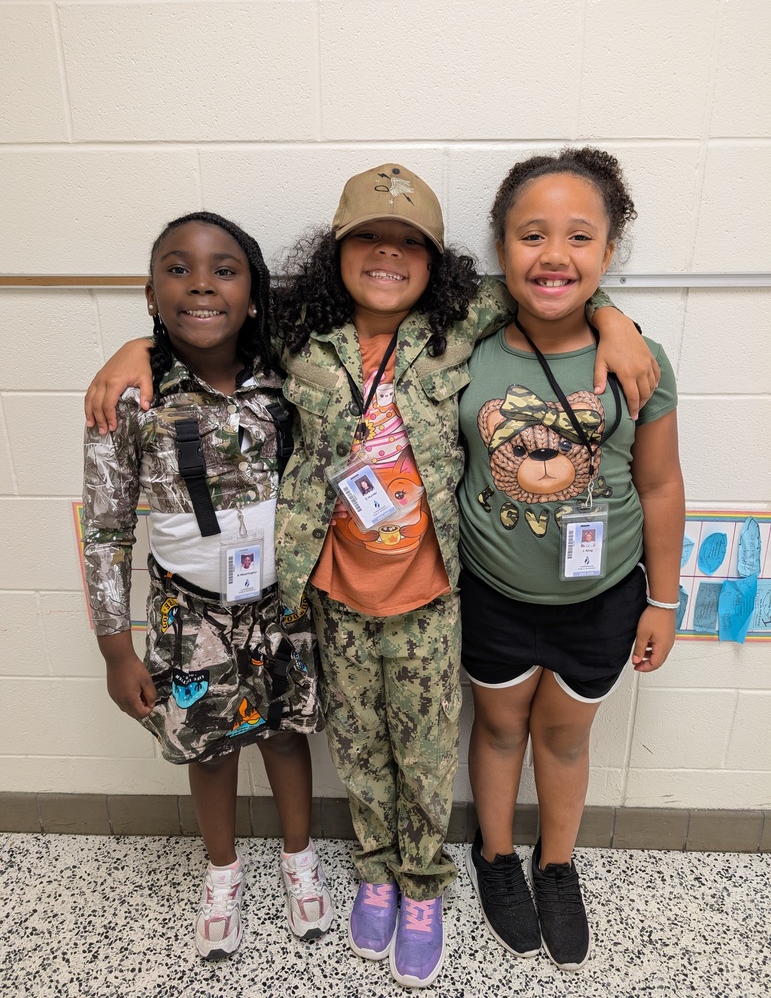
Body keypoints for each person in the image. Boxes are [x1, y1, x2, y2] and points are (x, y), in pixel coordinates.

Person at [83, 164, 658, 989]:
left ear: (436, 262)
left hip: (429, 599)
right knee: (358, 751)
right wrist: (134, 343)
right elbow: (205, 320)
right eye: (368, 241)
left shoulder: (460, 323)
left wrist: (615, 318)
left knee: (424, 757)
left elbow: (553, 290)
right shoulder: (295, 339)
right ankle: (377, 874)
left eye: (409, 245)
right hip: (332, 598)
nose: (387, 256)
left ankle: (423, 888)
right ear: (336, 252)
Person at [81, 212, 334, 962]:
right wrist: (114, 650)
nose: (200, 283)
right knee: (211, 749)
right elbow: (104, 530)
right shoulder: (129, 397)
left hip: (282, 604)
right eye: (177, 268)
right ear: (150, 291)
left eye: (224, 269)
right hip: (186, 612)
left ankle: (298, 859)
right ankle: (222, 874)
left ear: (253, 294)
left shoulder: (289, 380)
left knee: (287, 736)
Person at [458, 149, 685, 972]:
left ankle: (555, 865)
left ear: (608, 251)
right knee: (496, 726)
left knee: (562, 738)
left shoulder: (636, 357)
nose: (553, 254)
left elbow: (658, 484)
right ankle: (493, 856)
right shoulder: (464, 351)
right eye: (531, 235)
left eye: (578, 237)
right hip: (493, 595)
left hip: (603, 600)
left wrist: (663, 600)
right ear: (501, 249)